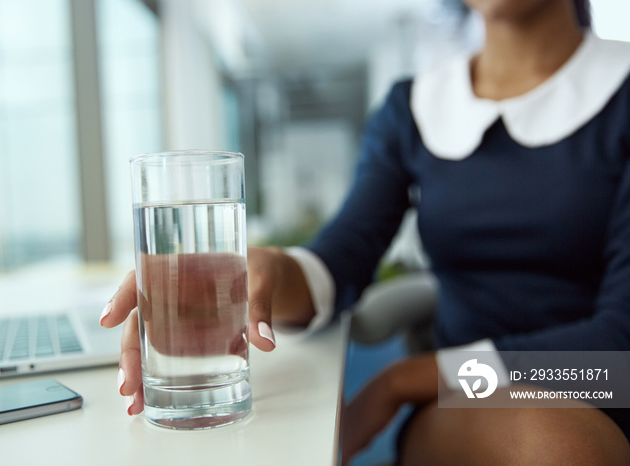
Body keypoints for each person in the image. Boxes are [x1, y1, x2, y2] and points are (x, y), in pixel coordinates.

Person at [100, 0, 630, 463]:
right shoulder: (414, 108)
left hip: (603, 381)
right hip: (476, 402)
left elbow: (617, 350)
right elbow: (340, 259)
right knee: (556, 449)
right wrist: (261, 271)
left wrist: (406, 378)